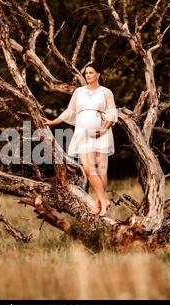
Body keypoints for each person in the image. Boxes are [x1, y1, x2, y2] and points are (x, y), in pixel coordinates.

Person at [42, 63, 118, 216]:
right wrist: (53, 121)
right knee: (89, 170)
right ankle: (104, 201)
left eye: (91, 72)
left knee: (101, 170)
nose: (88, 75)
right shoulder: (79, 92)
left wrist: (103, 129)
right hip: (82, 133)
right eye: (86, 73)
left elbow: (111, 112)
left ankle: (99, 204)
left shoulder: (106, 92)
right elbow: (70, 111)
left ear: (98, 74)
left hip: (101, 133)